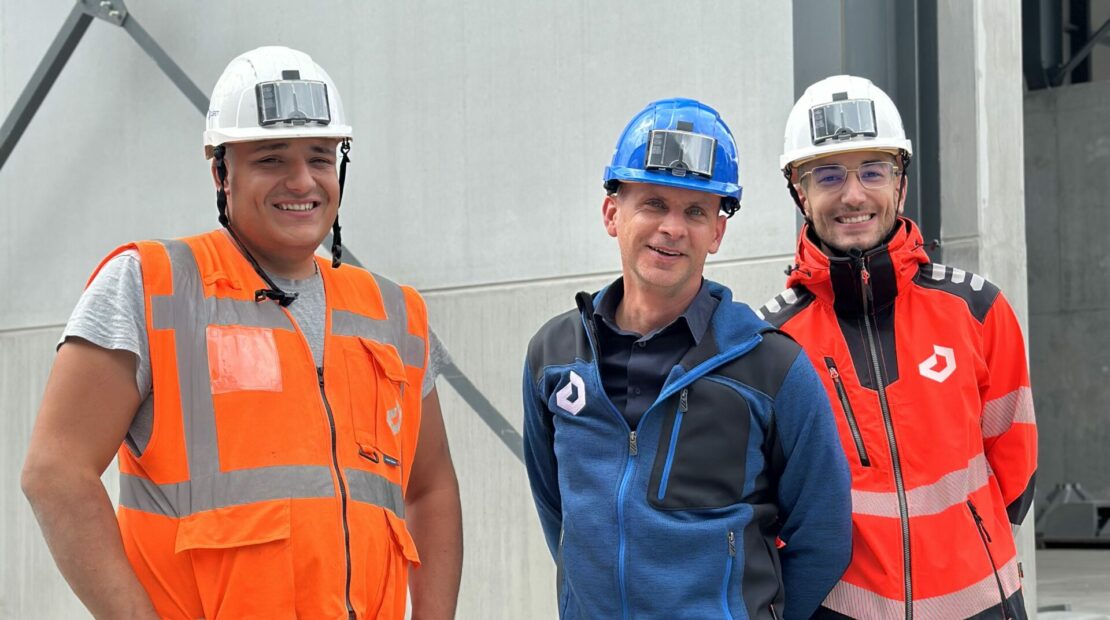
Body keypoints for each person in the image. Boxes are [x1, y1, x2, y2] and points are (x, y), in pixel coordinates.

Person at [21, 46, 462, 620]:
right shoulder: (152, 286)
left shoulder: (394, 313)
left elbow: (431, 489)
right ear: (221, 172)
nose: (302, 181)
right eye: (272, 159)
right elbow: (55, 473)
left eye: (320, 157)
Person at [522, 97, 852, 619]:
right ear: (612, 214)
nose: (673, 227)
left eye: (696, 211)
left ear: (717, 232)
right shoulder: (554, 357)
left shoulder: (772, 368)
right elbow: (559, 515)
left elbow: (824, 535)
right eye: (653, 203)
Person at [757, 75, 1038, 620]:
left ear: (900, 185)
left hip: (983, 603)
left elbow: (1016, 468)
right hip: (839, 611)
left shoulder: (978, 309)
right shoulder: (770, 341)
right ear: (800, 193)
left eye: (873, 171)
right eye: (828, 175)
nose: (853, 194)